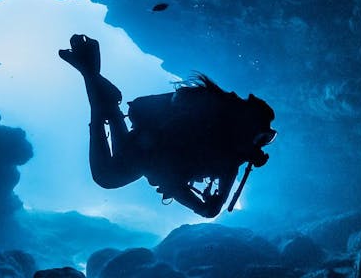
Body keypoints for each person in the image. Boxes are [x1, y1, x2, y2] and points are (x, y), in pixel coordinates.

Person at [59, 34, 277, 218]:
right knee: (105, 177)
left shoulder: (230, 156)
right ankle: (98, 90)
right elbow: (187, 190)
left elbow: (210, 209)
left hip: (146, 150)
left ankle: (104, 96)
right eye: (262, 137)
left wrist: (209, 202)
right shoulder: (221, 142)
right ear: (247, 127)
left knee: (113, 168)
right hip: (149, 150)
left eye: (267, 139)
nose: (262, 146)